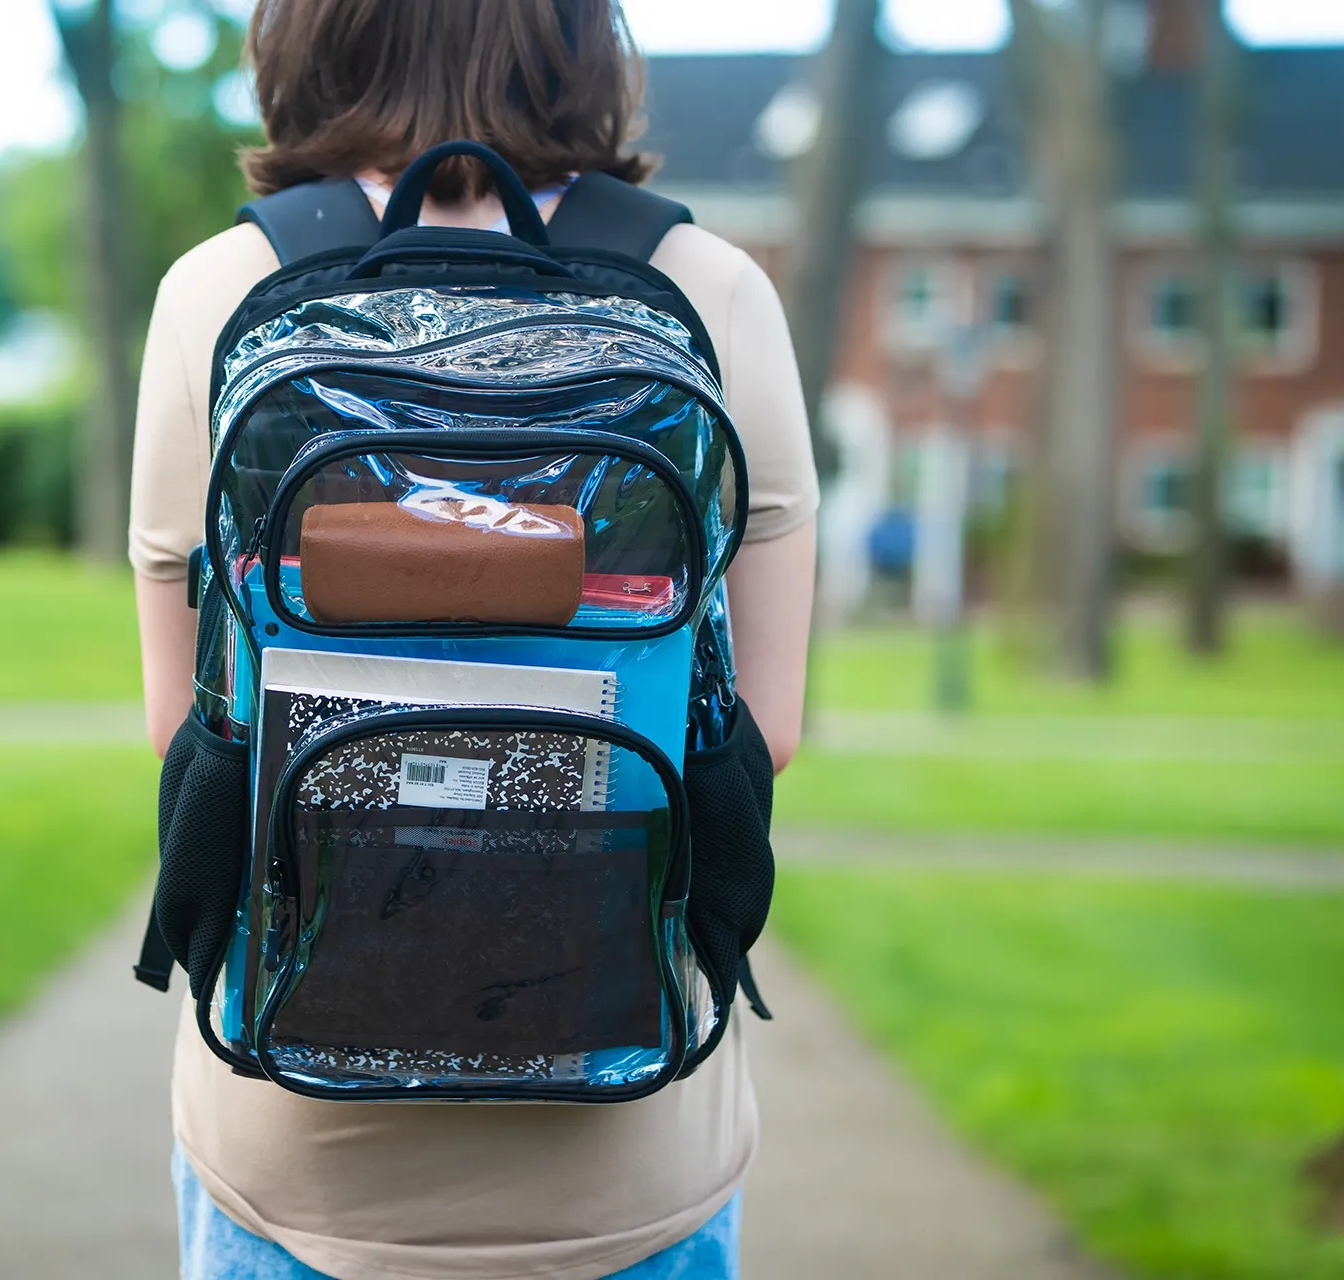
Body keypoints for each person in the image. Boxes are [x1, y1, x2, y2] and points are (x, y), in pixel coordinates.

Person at [129, 2, 818, 1276]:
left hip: (297, 1151)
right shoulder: (710, 290)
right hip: (628, 1145)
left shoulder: (221, 291)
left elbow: (193, 731)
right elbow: (758, 730)